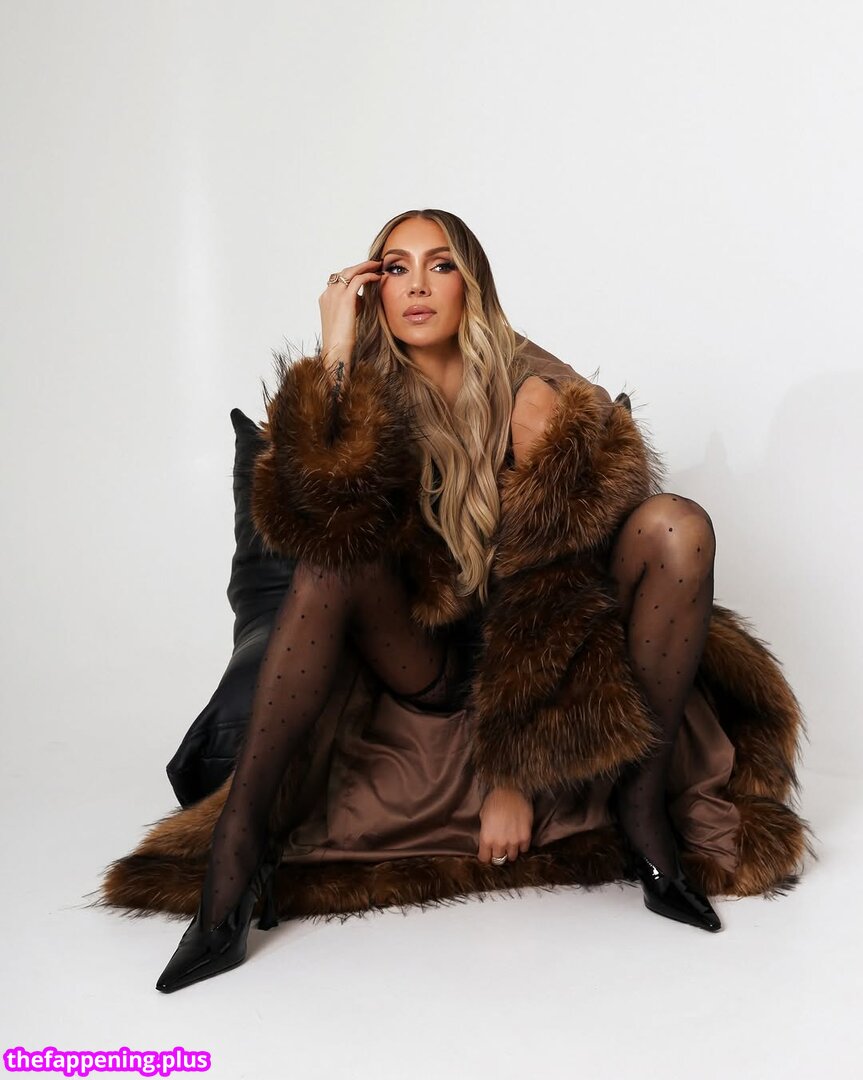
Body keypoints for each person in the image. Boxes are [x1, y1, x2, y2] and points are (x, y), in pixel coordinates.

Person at [155, 207, 742, 993]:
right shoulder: (367, 381)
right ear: (372, 290)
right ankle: (238, 849)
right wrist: (335, 349)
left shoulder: (534, 390)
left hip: (529, 652)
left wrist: (511, 776)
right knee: (332, 563)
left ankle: (642, 808)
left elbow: (553, 589)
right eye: (395, 268)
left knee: (677, 525)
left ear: (472, 284)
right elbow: (313, 520)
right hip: (423, 652)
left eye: (439, 265)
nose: (417, 286)